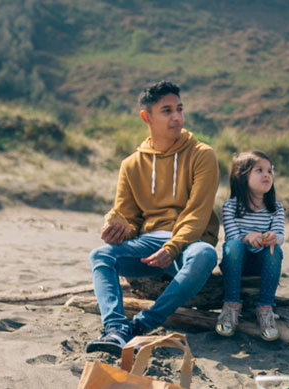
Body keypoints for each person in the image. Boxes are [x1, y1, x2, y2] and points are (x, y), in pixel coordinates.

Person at [86, 80, 220, 354]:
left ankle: (140, 326)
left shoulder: (202, 155)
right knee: (100, 255)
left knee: (205, 255)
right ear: (146, 117)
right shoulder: (131, 165)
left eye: (179, 109)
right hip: (148, 246)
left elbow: (197, 213)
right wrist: (119, 229)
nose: (177, 117)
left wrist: (172, 249)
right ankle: (115, 328)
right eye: (167, 110)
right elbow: (131, 218)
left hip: (187, 244)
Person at [215, 151, 286, 341]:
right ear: (242, 176)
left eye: (270, 171)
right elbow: (231, 236)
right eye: (259, 170)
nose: (267, 175)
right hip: (237, 261)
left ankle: (265, 308)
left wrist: (272, 237)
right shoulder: (231, 206)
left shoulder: (276, 208)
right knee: (233, 246)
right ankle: (231, 306)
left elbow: (280, 236)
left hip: (261, 263)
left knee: (275, 250)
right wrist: (248, 237)